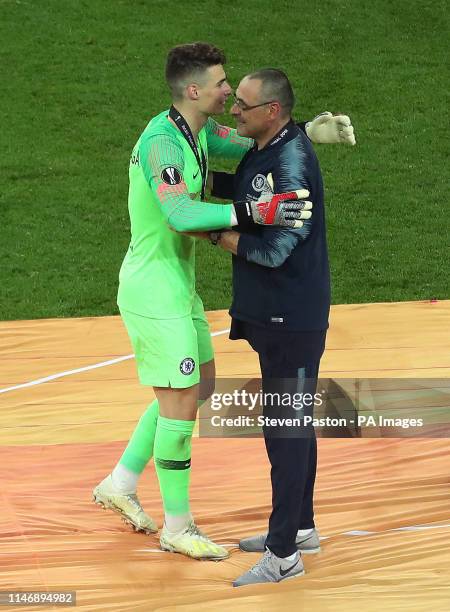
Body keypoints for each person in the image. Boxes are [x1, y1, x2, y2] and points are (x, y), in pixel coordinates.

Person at [92, 42, 355, 562]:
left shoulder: (199, 132)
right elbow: (182, 216)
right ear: (194, 90)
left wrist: (307, 133)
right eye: (220, 83)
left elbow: (259, 142)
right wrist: (254, 211)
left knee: (198, 386)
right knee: (183, 400)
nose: (229, 91)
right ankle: (178, 525)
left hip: (175, 284)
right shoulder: (164, 144)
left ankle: (120, 482)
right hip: (153, 289)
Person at [206, 68, 334, 585]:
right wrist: (196, 185)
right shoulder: (271, 143)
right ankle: (300, 528)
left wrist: (214, 233)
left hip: (292, 317)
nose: (233, 110)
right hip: (274, 314)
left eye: (243, 104)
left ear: (272, 111)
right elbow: (252, 191)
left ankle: (284, 555)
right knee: (287, 426)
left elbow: (278, 248)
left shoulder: (291, 162)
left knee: (287, 431)